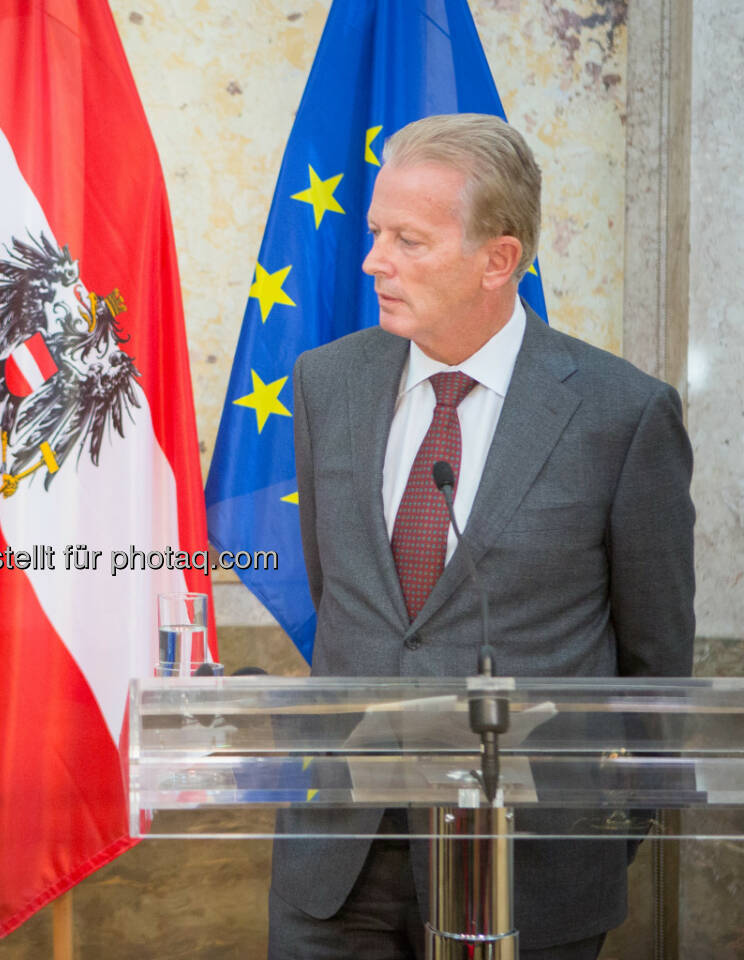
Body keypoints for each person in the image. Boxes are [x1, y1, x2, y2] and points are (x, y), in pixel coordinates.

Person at [268, 114, 695, 959]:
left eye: (409, 241)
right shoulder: (328, 383)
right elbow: (341, 597)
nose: (373, 261)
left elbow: (657, 670)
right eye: (376, 233)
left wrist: (604, 837)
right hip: (339, 862)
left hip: (529, 871)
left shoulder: (621, 415)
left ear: (498, 260)